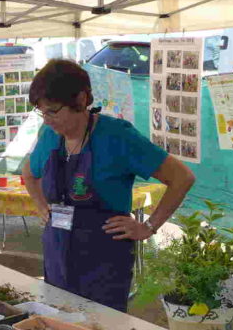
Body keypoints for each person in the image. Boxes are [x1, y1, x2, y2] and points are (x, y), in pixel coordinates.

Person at [21, 59, 195, 312]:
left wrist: (148, 226)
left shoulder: (118, 136)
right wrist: (41, 206)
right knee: (58, 321)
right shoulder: (49, 135)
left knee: (103, 328)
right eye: (41, 112)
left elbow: (182, 178)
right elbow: (29, 172)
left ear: (81, 100)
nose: (47, 120)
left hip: (103, 257)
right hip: (57, 247)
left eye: (53, 111)